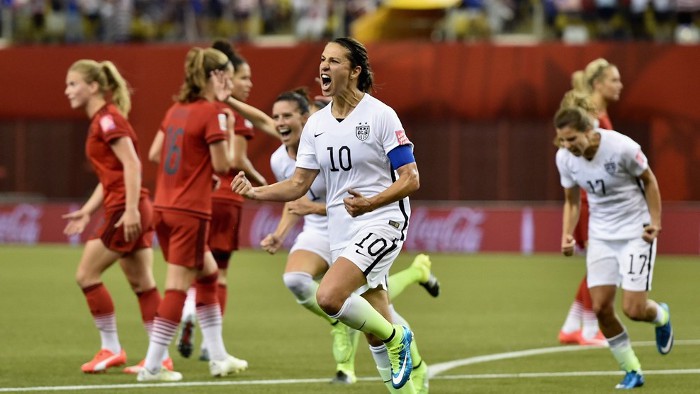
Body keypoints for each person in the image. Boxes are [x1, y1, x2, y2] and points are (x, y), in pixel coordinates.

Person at [232, 37, 420, 392]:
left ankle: (399, 337)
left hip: (383, 220)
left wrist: (371, 202)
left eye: (334, 61)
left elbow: (411, 178)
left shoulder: (380, 115)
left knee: (329, 297)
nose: (323, 66)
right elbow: (298, 183)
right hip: (341, 230)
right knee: (373, 323)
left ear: (354, 71)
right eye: (322, 59)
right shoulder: (316, 125)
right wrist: (255, 192)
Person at [160, 39, 272, 363]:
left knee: (196, 272)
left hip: (182, 198)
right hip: (222, 198)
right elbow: (232, 159)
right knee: (215, 275)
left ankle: (192, 330)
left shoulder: (182, 110)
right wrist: (259, 177)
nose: (249, 84)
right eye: (243, 77)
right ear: (224, 78)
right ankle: (207, 344)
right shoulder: (225, 113)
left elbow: (158, 152)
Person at [136, 47, 242, 382]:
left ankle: (219, 356)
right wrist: (223, 112)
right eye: (226, 72)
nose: (230, 78)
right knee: (178, 286)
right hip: (189, 212)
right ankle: (153, 367)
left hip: (164, 208)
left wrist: (194, 171)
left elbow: (156, 152)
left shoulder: (176, 109)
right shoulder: (214, 111)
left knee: (208, 274)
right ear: (215, 76)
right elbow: (225, 164)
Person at [62, 59, 172, 374]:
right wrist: (87, 209)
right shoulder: (104, 119)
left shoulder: (107, 121)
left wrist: (133, 210)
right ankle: (159, 357)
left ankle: (110, 348)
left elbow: (133, 164)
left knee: (86, 274)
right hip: (128, 206)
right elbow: (111, 173)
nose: (67, 90)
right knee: (142, 283)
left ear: (93, 86)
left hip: (127, 209)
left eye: (73, 84)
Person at [554, 106, 673, 389]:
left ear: (589, 131)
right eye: (562, 140)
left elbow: (649, 180)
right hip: (601, 235)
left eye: (572, 139)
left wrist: (655, 222)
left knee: (634, 309)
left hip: (635, 232)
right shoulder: (565, 159)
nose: (567, 146)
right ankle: (632, 369)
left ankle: (661, 315)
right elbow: (571, 200)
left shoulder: (621, 147)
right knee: (601, 308)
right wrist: (566, 234)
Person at [558, 58, 623, 346]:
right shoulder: (591, 118)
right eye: (614, 80)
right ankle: (589, 328)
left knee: (596, 264)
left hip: (592, 199)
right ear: (598, 83)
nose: (619, 85)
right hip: (593, 200)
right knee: (602, 264)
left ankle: (573, 326)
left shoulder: (595, 113)